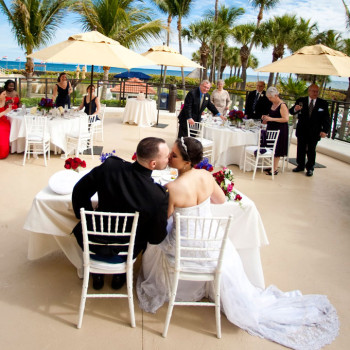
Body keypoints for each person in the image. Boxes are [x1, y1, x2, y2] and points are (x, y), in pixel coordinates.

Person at [137, 136, 339, 350]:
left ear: (187, 162)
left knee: (154, 243)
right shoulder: (205, 175)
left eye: (173, 155)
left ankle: (167, 285)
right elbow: (221, 200)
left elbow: (165, 221)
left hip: (183, 250)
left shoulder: (171, 187)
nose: (168, 156)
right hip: (211, 246)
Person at [72, 137, 170, 290]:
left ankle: (97, 274)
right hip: (127, 248)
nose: (169, 158)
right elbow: (156, 237)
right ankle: (120, 275)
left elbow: (79, 190)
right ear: (153, 164)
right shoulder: (158, 195)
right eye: (166, 156)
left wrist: (87, 217)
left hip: (93, 238)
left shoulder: (110, 167)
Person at [289, 84, 330, 177]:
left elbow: (326, 118)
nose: (315, 93)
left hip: (315, 131)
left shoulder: (323, 103)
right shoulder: (301, 101)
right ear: (309, 91)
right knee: (301, 148)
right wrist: (295, 108)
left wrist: (325, 130)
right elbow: (291, 111)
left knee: (311, 150)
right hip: (302, 129)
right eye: (314, 91)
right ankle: (300, 165)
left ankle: (310, 168)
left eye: (317, 91)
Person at [261, 87, 289, 176]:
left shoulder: (282, 105)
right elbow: (273, 115)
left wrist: (271, 119)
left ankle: (275, 169)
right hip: (272, 128)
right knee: (271, 147)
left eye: (270, 97)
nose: (269, 99)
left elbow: (285, 119)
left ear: (276, 95)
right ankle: (271, 165)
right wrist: (266, 118)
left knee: (277, 149)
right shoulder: (273, 104)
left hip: (280, 130)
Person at [0, 87, 12, 159]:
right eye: (4, 94)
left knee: (9, 125)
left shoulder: (3, 100)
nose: (5, 95)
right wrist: (5, 112)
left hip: (4, 120)